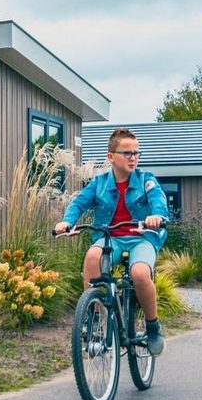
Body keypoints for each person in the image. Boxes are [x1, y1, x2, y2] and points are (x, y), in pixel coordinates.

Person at [55, 128, 170, 355]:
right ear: (111, 157)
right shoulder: (98, 183)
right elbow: (78, 203)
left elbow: (158, 200)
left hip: (142, 238)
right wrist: (66, 222)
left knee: (139, 273)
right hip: (110, 238)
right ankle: (94, 319)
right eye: (127, 153)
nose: (133, 157)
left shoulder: (146, 180)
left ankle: (152, 325)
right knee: (91, 257)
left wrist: (156, 216)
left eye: (136, 153)